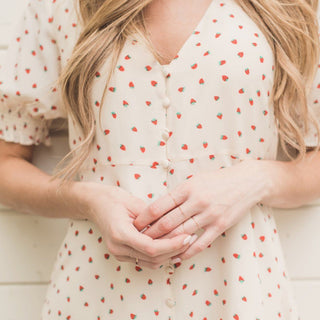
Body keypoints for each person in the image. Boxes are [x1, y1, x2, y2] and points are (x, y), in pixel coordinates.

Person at [0, 0, 320, 318]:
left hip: (241, 295)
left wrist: (257, 178)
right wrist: (85, 199)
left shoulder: (286, 6)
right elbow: (6, 163)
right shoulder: (61, 6)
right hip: (96, 297)